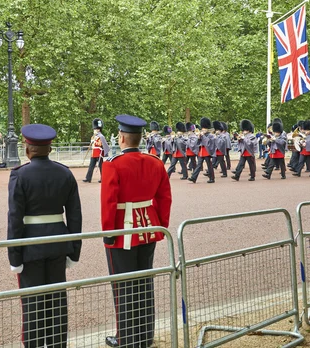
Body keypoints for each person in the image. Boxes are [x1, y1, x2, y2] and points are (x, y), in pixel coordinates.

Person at [7, 123, 82, 348]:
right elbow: (75, 216)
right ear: (50, 148)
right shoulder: (65, 173)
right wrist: (74, 250)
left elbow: (14, 219)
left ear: (28, 149)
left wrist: (14, 256)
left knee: (32, 305)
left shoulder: (19, 175)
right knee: (57, 302)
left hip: (31, 246)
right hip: (59, 243)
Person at [101, 114, 172, 348]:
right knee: (144, 283)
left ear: (121, 138)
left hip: (122, 232)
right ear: (139, 139)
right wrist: (161, 225)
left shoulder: (113, 164)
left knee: (123, 288)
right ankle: (145, 337)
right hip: (148, 228)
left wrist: (108, 232)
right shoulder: (155, 162)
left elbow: (109, 202)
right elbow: (164, 198)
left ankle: (126, 340)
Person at [188, 117, 216, 183]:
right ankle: (193, 178)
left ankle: (212, 178)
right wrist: (198, 137)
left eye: (204, 129)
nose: (203, 130)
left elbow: (208, 143)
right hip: (201, 151)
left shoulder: (211, 135)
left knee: (209, 165)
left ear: (207, 129)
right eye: (203, 129)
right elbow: (197, 143)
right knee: (199, 165)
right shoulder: (202, 135)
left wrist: (203, 136)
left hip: (207, 151)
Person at [83, 118, 109, 183]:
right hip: (94, 153)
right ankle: (88, 178)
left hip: (99, 153)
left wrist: (95, 141)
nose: (94, 130)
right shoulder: (93, 136)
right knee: (91, 166)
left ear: (98, 129)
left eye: (95, 129)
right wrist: (92, 141)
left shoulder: (101, 136)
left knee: (101, 167)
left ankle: (103, 178)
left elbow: (100, 144)